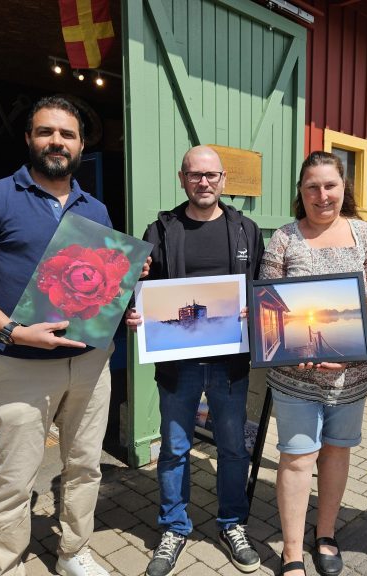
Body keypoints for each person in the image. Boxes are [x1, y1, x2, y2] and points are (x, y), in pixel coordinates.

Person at [0, 96, 132, 576]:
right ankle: (5, 567)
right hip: (22, 363)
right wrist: (14, 331)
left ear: (81, 145)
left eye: (67, 135)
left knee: (86, 466)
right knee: (14, 476)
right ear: (28, 138)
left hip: (90, 360)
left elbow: (99, 282)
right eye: (46, 132)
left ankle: (72, 551)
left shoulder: (97, 207)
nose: (57, 142)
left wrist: (125, 291)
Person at [125, 145, 264, 576]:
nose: (203, 182)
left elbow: (259, 287)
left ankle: (232, 523)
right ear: (181, 179)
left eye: (211, 175)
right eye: (194, 175)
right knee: (174, 449)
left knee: (232, 448)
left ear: (223, 180)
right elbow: (139, 286)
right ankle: (173, 527)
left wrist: (252, 311)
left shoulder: (246, 229)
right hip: (177, 363)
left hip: (229, 364)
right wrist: (136, 312)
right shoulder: (160, 230)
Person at [259, 151, 367, 576]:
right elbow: (269, 304)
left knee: (336, 452)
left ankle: (326, 533)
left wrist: (346, 348)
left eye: (329, 185)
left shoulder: (365, 235)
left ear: (343, 187)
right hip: (294, 375)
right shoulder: (284, 239)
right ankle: (292, 551)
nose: (322, 194)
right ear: (300, 191)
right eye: (312, 186)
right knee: (297, 457)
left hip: (351, 372)